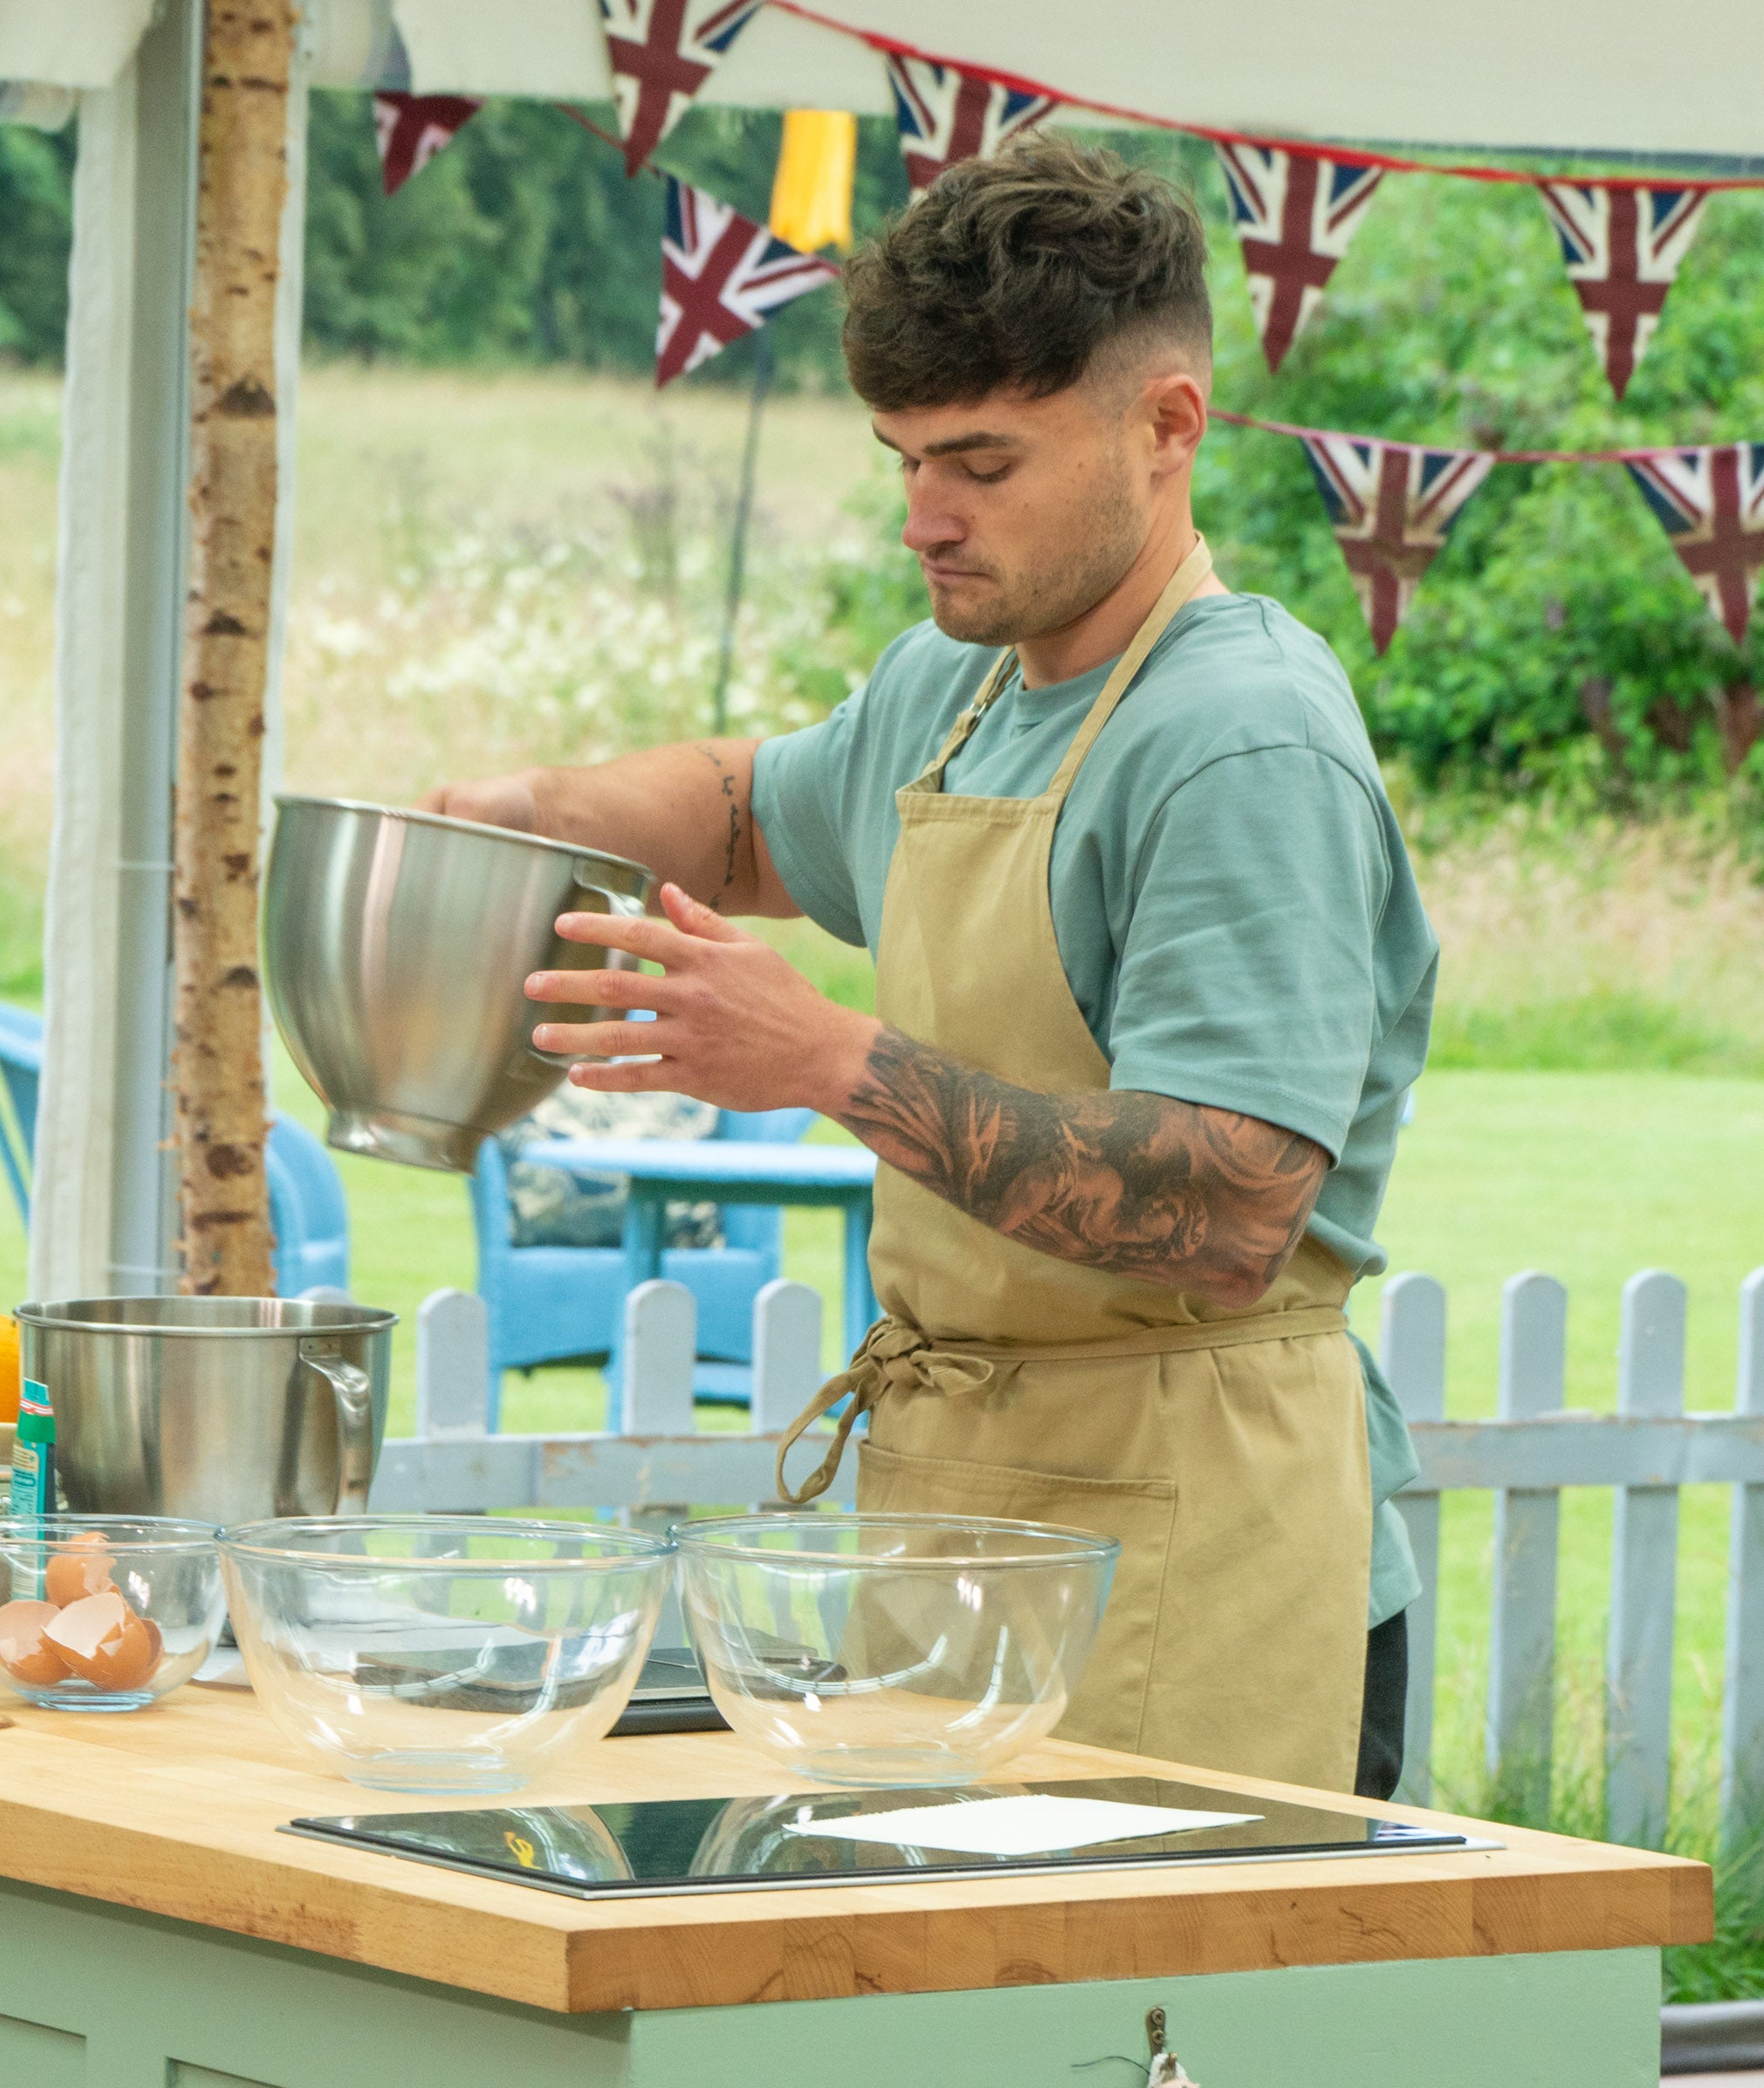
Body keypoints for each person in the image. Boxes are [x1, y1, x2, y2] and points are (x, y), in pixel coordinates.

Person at [421, 135, 1436, 1799]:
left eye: (978, 462)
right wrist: (528, 815)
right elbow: (749, 814)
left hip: (1202, 1554)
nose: (923, 520)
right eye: (903, 462)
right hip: (970, 1530)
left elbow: (1232, 1203)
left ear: (1168, 425)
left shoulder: (1241, 739)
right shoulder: (951, 686)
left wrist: (830, 1061)